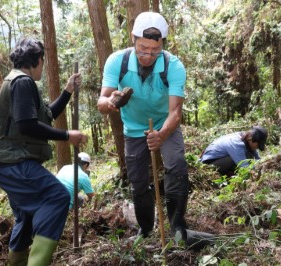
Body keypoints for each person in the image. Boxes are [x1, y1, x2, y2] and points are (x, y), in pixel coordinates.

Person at [0, 37, 88, 266]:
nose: (43, 64)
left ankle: (17, 262)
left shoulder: (19, 81)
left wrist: (68, 91)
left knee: (27, 212)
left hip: (4, 161)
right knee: (58, 196)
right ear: (36, 60)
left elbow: (46, 115)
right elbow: (27, 125)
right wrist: (66, 135)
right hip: (11, 161)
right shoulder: (22, 82)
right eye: (42, 60)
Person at [97, 12, 190, 242]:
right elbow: (101, 102)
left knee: (176, 166)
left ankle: (177, 225)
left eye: (154, 50)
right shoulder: (117, 61)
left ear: (163, 45)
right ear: (133, 38)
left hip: (164, 124)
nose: (148, 55)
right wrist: (111, 102)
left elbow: (175, 111)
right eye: (142, 48)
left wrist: (162, 135)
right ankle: (146, 229)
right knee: (138, 181)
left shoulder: (173, 66)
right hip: (133, 128)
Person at [200, 126, 268, 176]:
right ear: (250, 139)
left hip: (221, 160)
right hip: (209, 166)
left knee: (249, 156)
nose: (257, 148)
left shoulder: (247, 140)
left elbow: (258, 160)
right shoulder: (236, 143)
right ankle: (226, 175)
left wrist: (265, 164)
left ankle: (229, 174)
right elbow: (244, 166)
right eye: (257, 145)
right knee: (244, 159)